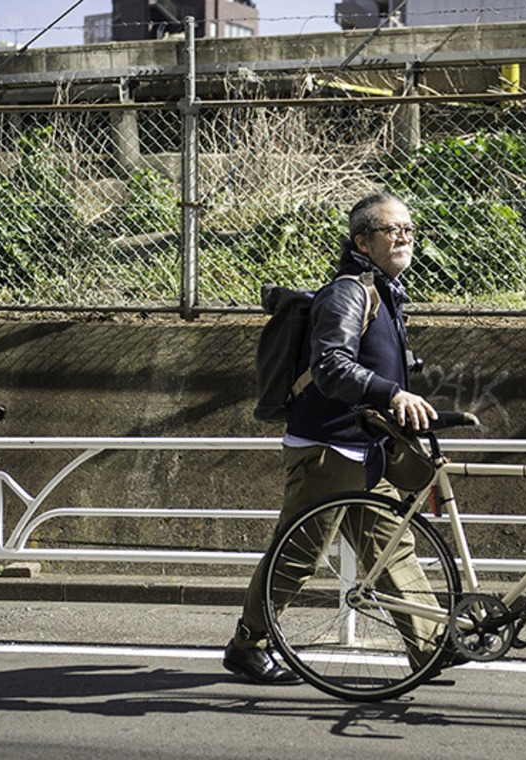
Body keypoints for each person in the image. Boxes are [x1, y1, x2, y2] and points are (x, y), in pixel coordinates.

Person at [223, 192, 439, 684]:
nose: (405, 236)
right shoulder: (347, 291)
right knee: (297, 557)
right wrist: (391, 393)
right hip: (327, 448)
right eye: (392, 229)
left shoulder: (386, 292)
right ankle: (246, 644)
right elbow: (331, 367)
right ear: (362, 241)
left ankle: (431, 647)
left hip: (367, 447)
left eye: (409, 227)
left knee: (393, 549)